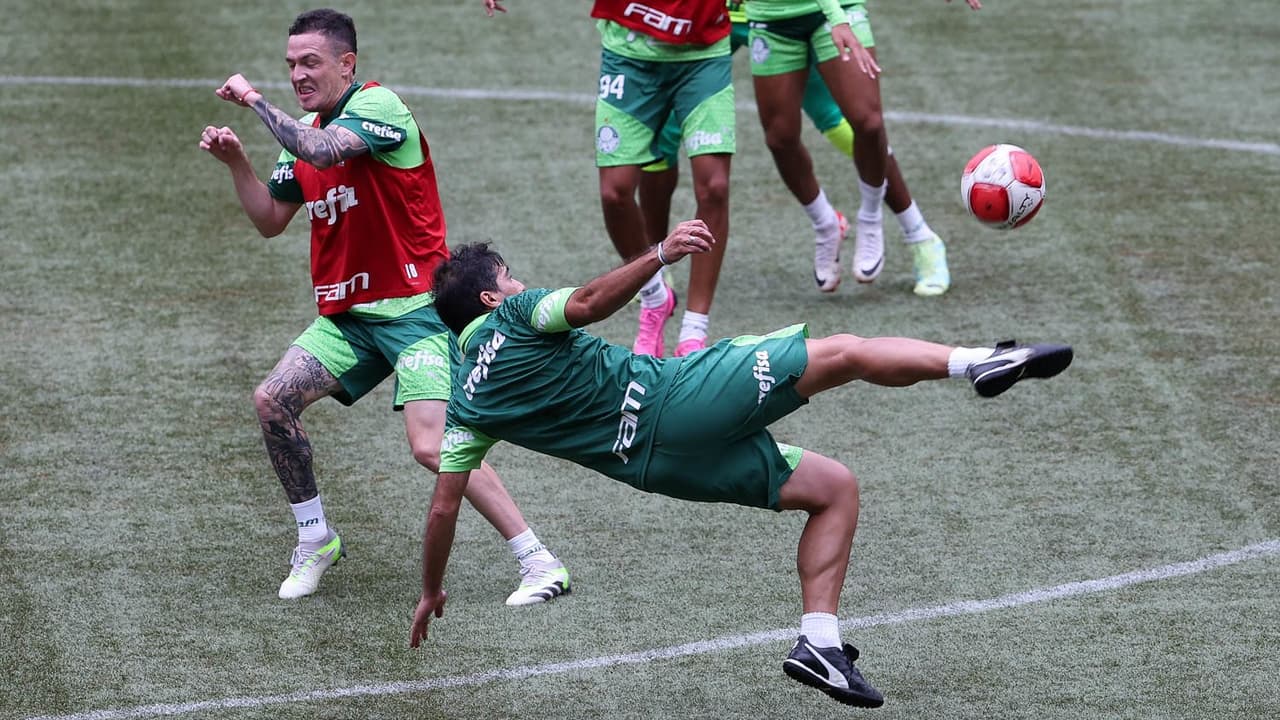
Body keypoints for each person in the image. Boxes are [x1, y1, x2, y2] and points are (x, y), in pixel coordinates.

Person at [408, 218, 1072, 706]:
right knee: (842, 352)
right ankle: (976, 361)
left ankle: (820, 643)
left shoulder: (467, 402)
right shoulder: (517, 317)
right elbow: (585, 304)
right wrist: (659, 252)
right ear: (492, 299)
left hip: (661, 470)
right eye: (509, 279)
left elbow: (444, 504)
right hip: (677, 401)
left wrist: (432, 588)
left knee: (833, 488)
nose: (519, 283)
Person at [199, 8, 569, 605]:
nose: (298, 73)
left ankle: (539, 560)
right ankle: (315, 536)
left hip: (418, 310)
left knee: (431, 445)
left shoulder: (378, 108)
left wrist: (255, 101)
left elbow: (321, 151)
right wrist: (237, 163)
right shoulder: (301, 134)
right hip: (349, 317)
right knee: (273, 400)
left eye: (311, 62)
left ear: (347, 63)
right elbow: (271, 219)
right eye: (291, 64)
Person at [640, 0, 954, 299]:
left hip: (780, 14)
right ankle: (652, 266)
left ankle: (917, 232)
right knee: (667, 127)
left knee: (849, 120)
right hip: (712, 15)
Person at [485, 0, 735, 358]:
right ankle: (654, 296)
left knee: (715, 186)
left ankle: (694, 330)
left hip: (703, 54)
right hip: (629, 54)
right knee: (615, 193)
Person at [745, 0, 980, 294]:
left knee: (867, 121)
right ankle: (825, 225)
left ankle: (872, 219)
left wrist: (835, 16)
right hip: (769, 17)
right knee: (779, 137)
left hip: (838, 10)